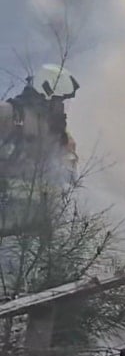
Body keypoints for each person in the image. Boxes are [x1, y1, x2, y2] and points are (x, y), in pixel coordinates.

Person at [0, 64, 80, 237]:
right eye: (60, 101)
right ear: (47, 94)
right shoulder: (10, 114)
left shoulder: (60, 134)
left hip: (38, 221)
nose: (62, 107)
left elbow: (70, 172)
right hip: (6, 211)